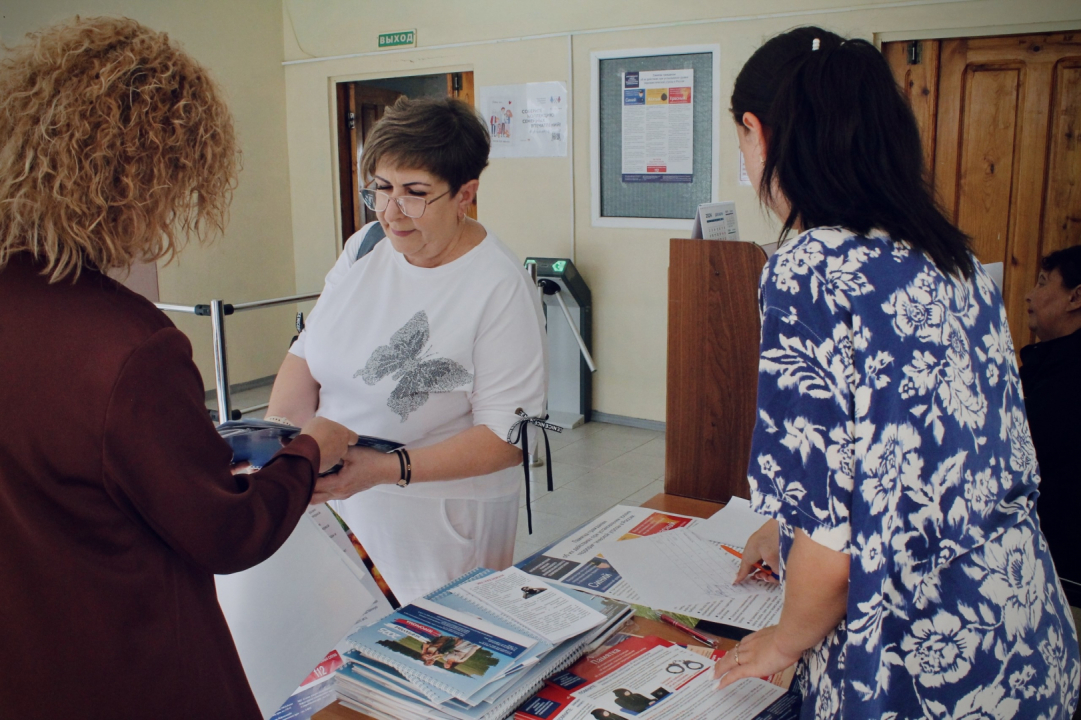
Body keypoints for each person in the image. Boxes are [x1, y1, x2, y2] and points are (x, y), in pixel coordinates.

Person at [711, 26, 1080, 717]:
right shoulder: (953, 258)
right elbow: (913, 454)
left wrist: (782, 642)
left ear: (756, 133)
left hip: (914, 662)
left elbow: (833, 550)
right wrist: (786, 526)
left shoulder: (807, 268)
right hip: (1024, 630)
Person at [0, 18, 358, 720]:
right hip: (135, 665)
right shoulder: (130, 348)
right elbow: (226, 533)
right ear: (153, 180)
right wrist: (316, 447)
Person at [266, 96, 547, 604]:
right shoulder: (365, 247)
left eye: (415, 193)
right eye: (381, 188)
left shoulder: (498, 285)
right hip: (336, 500)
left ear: (466, 194)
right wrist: (289, 449)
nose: (392, 212)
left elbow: (508, 438)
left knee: (435, 654)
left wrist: (380, 469)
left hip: (434, 518)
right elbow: (306, 355)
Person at [1021, 245, 1081, 611]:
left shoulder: (1068, 378)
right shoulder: (1047, 363)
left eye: (1043, 284)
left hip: (1067, 580)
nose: (1030, 294)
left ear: (1076, 296)